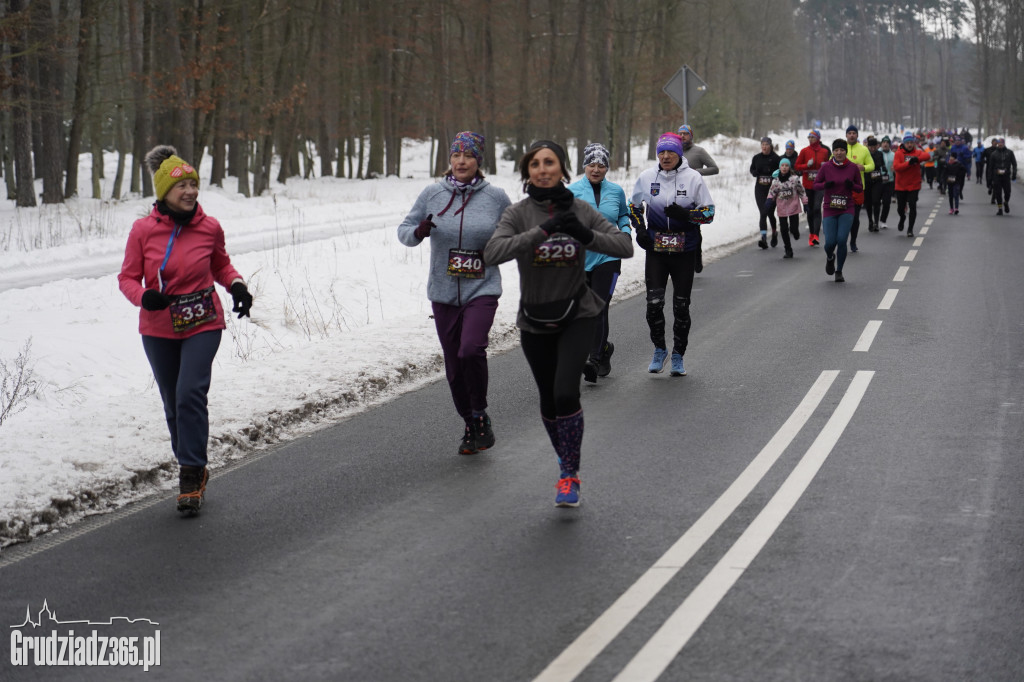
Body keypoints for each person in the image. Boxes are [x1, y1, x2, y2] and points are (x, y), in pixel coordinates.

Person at [483, 140, 633, 507]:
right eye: (535, 164)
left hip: (577, 314)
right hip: (534, 318)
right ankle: (565, 457)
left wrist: (585, 234)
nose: (543, 169)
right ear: (527, 171)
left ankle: (569, 473)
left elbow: (624, 246)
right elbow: (492, 253)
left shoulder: (580, 209)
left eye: (550, 162)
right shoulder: (518, 214)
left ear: (563, 169)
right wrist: (544, 230)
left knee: (566, 392)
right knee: (549, 401)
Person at [118, 145, 253, 515]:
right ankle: (191, 461)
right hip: (158, 325)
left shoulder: (209, 227)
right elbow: (127, 278)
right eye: (182, 186)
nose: (191, 191)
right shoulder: (143, 231)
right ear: (164, 192)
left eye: (194, 184)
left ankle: (190, 473)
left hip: (203, 320)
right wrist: (144, 297)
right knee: (172, 400)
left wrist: (237, 285)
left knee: (190, 391)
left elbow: (222, 265)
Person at [397, 131, 511, 455]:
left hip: (482, 287)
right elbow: (403, 231)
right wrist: (418, 232)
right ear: (450, 160)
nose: (461, 161)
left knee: (470, 350)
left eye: (469, 156)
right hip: (443, 292)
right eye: (456, 156)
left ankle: (479, 411)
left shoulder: (496, 197)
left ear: (479, 161)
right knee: (453, 367)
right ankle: (470, 423)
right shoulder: (432, 193)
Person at [629, 132, 715, 376]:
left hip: (684, 251)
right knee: (653, 305)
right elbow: (633, 207)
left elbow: (709, 214)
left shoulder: (693, 178)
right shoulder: (647, 178)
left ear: (679, 154)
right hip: (656, 250)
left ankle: (678, 354)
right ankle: (660, 349)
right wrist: (640, 230)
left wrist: (687, 215)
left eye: (671, 152)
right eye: (661, 152)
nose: (665, 156)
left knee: (681, 306)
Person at [568, 142, 631, 382]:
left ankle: (593, 360)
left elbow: (623, 214)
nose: (596, 169)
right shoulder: (572, 191)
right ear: (585, 166)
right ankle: (604, 350)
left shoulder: (616, 191)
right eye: (592, 164)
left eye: (601, 165)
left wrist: (625, 230)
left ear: (607, 168)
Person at [813, 138, 862, 283]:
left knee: (841, 240)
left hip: (847, 208)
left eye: (842, 150)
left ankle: (839, 271)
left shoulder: (852, 168)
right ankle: (830, 257)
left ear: (846, 151)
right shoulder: (826, 167)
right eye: (836, 150)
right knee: (829, 243)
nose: (839, 153)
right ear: (833, 152)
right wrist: (825, 185)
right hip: (830, 208)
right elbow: (815, 185)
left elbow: (860, 187)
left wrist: (851, 185)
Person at [677, 124, 719, 273]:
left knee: (694, 227)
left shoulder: (699, 151)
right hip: (677, 194)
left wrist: (697, 172)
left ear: (691, 136)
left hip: (694, 195)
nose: (682, 136)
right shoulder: (674, 152)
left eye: (685, 134)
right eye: (680, 134)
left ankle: (696, 256)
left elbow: (715, 168)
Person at [765, 157, 807, 259]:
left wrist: (805, 202)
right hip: (782, 208)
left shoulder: (794, 179)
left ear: (789, 167)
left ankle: (796, 232)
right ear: (779, 167)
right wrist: (769, 200)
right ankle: (788, 249)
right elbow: (772, 192)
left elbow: (801, 191)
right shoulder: (776, 181)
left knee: (793, 228)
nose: (784, 168)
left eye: (786, 166)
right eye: (782, 166)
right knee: (784, 229)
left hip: (793, 207)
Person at [892, 132, 932, 237]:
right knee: (900, 208)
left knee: (912, 206)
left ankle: (910, 229)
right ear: (904, 144)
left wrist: (917, 159)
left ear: (914, 143)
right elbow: (897, 167)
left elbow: (928, 156)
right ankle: (902, 218)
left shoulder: (917, 152)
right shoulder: (899, 153)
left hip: (914, 185)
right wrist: (909, 163)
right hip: (901, 185)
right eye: (907, 143)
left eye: (911, 143)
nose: (909, 145)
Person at [795, 129, 830, 246]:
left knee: (816, 208)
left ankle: (816, 235)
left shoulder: (824, 152)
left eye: (813, 137)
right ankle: (811, 233)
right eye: (809, 137)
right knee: (810, 210)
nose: (810, 139)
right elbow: (796, 166)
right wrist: (806, 165)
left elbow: (832, 165)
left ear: (818, 139)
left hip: (820, 185)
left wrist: (825, 166)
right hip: (808, 185)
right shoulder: (804, 151)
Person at [842, 125, 874, 252]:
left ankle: (853, 241)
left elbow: (872, 165)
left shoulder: (863, 150)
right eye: (849, 133)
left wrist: (864, 168)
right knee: (843, 217)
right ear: (846, 135)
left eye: (854, 133)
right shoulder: (840, 148)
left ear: (857, 135)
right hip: (841, 189)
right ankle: (842, 240)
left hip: (857, 189)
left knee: (854, 218)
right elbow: (830, 163)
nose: (851, 135)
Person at [750, 136, 781, 248]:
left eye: (766, 145)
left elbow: (781, 172)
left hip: (772, 189)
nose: (764, 147)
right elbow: (752, 169)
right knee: (763, 212)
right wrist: (755, 173)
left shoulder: (776, 158)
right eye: (762, 144)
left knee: (770, 213)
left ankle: (774, 232)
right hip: (759, 189)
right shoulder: (756, 158)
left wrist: (774, 175)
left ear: (770, 146)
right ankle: (763, 238)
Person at [987, 138, 1018, 215]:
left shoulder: (1010, 152)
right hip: (997, 176)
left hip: (1006, 176)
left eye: (1001, 143)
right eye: (999, 143)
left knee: (1008, 192)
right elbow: (990, 167)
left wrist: (1014, 174)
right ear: (997, 144)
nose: (1000, 144)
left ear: (1004, 144)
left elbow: (1014, 164)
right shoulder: (993, 154)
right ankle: (1000, 209)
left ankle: (1006, 202)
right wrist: (989, 179)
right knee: (998, 193)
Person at [864, 136, 886, 232]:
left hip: (877, 180)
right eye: (871, 147)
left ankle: (876, 222)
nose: (872, 149)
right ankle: (870, 220)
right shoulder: (865, 154)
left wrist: (884, 168)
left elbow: (882, 164)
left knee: (876, 201)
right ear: (868, 146)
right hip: (867, 180)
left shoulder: (879, 154)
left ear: (877, 146)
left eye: (874, 147)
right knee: (868, 202)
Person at [946, 136, 971, 214]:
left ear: (961, 141)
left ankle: (959, 191)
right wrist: (947, 163)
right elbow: (949, 156)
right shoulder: (952, 148)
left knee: (961, 182)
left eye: (958, 141)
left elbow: (969, 156)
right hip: (952, 170)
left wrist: (968, 171)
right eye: (956, 141)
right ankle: (957, 192)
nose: (957, 142)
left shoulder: (964, 148)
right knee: (952, 190)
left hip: (960, 168)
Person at [876, 136, 896, 229]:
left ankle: (883, 220)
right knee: (875, 202)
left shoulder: (893, 155)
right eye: (884, 142)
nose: (885, 144)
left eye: (887, 142)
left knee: (886, 202)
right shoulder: (877, 153)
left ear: (889, 144)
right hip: (877, 181)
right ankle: (875, 220)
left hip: (889, 181)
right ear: (881, 144)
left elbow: (897, 166)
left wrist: (895, 169)